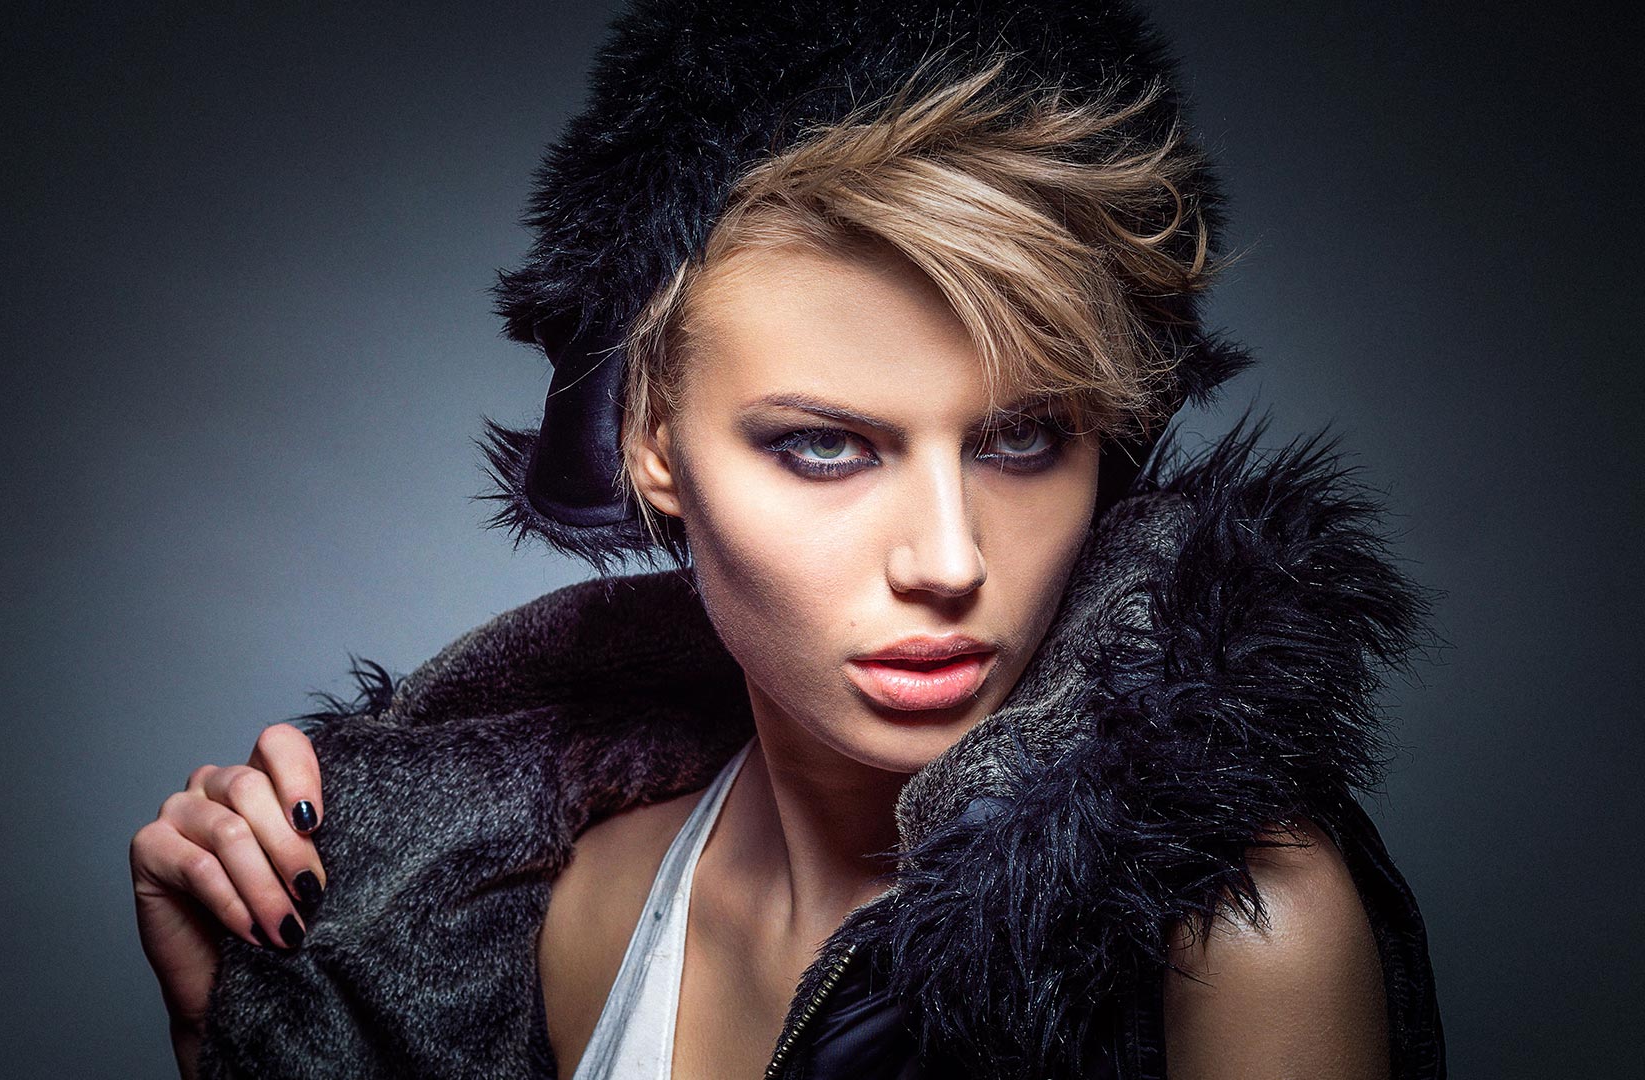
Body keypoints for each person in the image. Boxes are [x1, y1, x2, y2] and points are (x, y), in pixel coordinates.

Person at [129, 1, 1447, 1077]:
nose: (949, 561)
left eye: (1022, 438)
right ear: (651, 438)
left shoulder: (1240, 935)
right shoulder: (549, 909)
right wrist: (248, 1035)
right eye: (825, 446)